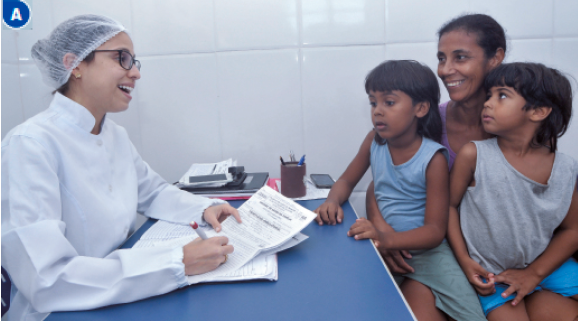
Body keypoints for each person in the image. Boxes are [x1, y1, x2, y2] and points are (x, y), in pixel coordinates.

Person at [1, 15, 241, 321]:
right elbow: (47, 280)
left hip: (122, 294)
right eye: (122, 58)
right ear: (75, 64)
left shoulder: (113, 134)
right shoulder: (30, 145)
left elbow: (151, 191)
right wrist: (175, 261)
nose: (136, 72)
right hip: (60, 310)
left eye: (134, 61)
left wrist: (203, 208)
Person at [315, 60, 486, 320]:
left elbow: (434, 232)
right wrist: (332, 200)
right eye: (373, 103)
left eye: (389, 102)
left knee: (472, 316)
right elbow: (347, 181)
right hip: (382, 246)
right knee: (346, 301)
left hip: (428, 255)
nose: (378, 112)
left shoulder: (433, 158)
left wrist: (387, 239)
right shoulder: (374, 140)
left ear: (420, 108)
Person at [447, 62, 578, 320]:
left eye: (502, 95)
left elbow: (573, 230)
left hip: (546, 265)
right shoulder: (474, 155)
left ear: (539, 111)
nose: (488, 103)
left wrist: (535, 273)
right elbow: (449, 207)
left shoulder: (566, 168)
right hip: (492, 275)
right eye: (489, 95)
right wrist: (464, 260)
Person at [437, 13, 506, 169]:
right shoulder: (428, 123)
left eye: (460, 57)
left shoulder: (521, 124)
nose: (445, 70)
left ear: (495, 58)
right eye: (441, 59)